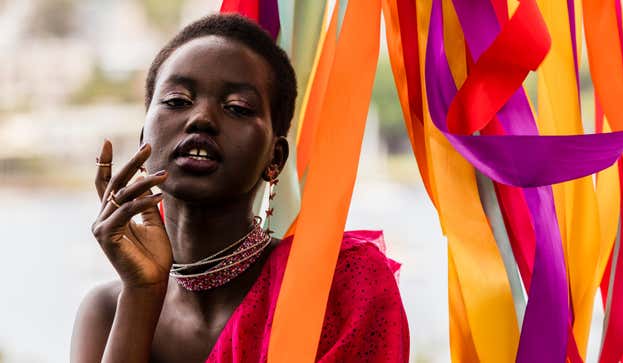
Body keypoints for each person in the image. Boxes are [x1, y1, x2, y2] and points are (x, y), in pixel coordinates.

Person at [71, 14, 409, 362]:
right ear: (145, 138)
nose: (201, 118)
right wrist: (142, 293)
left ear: (274, 158)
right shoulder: (107, 311)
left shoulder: (339, 290)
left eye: (237, 108)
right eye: (177, 101)